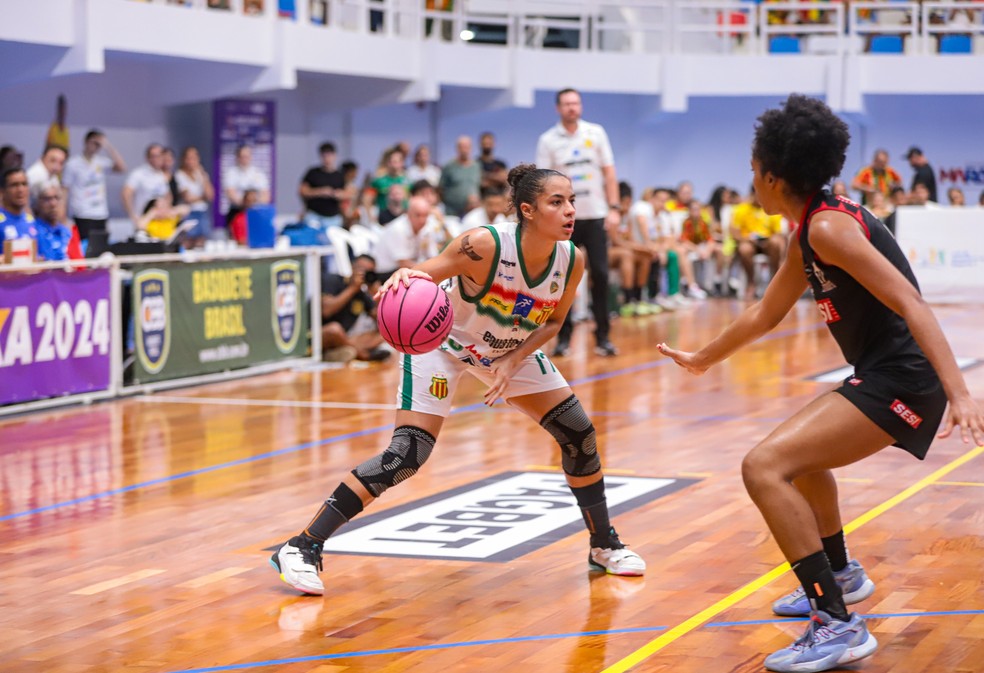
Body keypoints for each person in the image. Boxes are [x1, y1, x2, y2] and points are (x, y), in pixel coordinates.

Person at [657, 94, 984, 673]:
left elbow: (910, 299)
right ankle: (839, 573)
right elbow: (765, 312)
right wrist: (703, 357)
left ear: (773, 175)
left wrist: (959, 391)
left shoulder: (829, 229)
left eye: (753, 169)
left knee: (764, 467)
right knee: (801, 461)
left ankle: (835, 622)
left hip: (903, 379)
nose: (750, 179)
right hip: (884, 372)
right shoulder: (812, 226)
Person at [269, 164, 646, 595]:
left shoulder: (571, 260)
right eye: (556, 202)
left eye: (572, 201)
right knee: (408, 453)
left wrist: (513, 361)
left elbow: (554, 322)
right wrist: (405, 277)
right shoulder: (484, 245)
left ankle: (603, 545)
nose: (570, 211)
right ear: (527, 210)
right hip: (443, 346)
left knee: (579, 434)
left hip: (509, 352)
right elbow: (422, 274)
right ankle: (302, 546)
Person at [536, 88, 621, 357]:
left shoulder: (596, 133)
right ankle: (563, 338)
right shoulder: (548, 140)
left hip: (595, 215)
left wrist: (614, 207)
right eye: (566, 104)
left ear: (580, 106)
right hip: (563, 221)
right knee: (560, 280)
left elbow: (609, 173)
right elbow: (542, 183)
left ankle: (603, 337)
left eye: (576, 103)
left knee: (602, 275)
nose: (572, 107)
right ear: (558, 108)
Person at [320, 254, 392, 363]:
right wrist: (352, 288)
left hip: (345, 339)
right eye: (362, 270)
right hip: (321, 333)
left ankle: (339, 353)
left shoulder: (363, 294)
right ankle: (363, 356)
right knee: (334, 329)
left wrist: (378, 295)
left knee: (386, 333)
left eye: (369, 272)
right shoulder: (333, 280)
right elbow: (326, 311)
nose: (364, 275)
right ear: (352, 267)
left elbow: (381, 321)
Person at [61, 129, 126, 243]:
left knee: (100, 248)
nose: (96, 146)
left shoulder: (101, 162)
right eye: (93, 142)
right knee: (84, 248)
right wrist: (63, 215)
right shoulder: (73, 163)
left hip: (100, 213)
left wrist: (107, 146)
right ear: (86, 142)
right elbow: (65, 190)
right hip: (82, 214)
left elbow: (121, 168)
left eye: (98, 144)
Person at [30, 182, 82, 261]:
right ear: (37, 203)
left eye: (57, 198)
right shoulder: (32, 232)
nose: (53, 204)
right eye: (47, 199)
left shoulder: (67, 232)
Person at [300, 142, 345, 231]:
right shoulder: (313, 173)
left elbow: (349, 193)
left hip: (333, 217)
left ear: (335, 156)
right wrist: (320, 192)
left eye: (329, 156)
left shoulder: (339, 175)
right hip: (314, 215)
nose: (327, 159)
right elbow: (302, 191)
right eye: (324, 156)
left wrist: (336, 194)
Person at [175, 146, 214, 249]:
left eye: (194, 158)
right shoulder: (179, 175)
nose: (192, 161)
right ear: (184, 159)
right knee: (189, 241)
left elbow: (210, 195)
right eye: (189, 158)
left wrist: (203, 175)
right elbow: (188, 198)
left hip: (203, 211)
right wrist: (202, 197)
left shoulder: (201, 174)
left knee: (202, 241)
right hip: (189, 212)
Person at [122, 143, 169, 226]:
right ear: (147, 158)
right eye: (153, 156)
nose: (156, 159)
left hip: (160, 223)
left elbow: (167, 196)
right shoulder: (138, 174)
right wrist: (132, 215)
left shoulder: (161, 175)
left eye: (159, 156)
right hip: (143, 221)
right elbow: (126, 194)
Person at [223, 145, 270, 226]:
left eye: (247, 156)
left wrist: (254, 205)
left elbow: (266, 195)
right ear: (237, 157)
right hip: (237, 211)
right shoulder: (231, 173)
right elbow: (230, 193)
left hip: (256, 212)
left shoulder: (258, 173)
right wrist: (245, 204)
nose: (245, 159)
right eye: (242, 156)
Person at [438, 136, 481, 218]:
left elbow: (477, 186)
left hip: (472, 213)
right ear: (457, 148)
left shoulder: (476, 166)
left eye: (467, 147)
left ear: (471, 148)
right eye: (462, 147)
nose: (464, 150)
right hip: (452, 214)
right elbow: (440, 189)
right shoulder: (449, 166)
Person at [0, 169, 38, 248]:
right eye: (14, 185)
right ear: (2, 191)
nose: (20, 190)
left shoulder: (31, 221)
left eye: (24, 184)